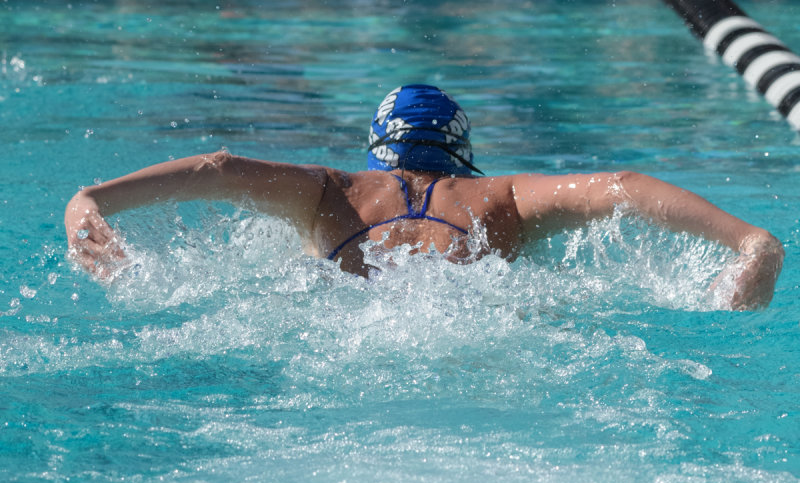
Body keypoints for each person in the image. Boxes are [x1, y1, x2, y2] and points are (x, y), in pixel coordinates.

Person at [65, 84, 783, 310]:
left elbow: (218, 168)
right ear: (460, 151)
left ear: (378, 145)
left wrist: (90, 197)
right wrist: (751, 241)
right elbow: (620, 188)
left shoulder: (331, 193)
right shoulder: (499, 198)